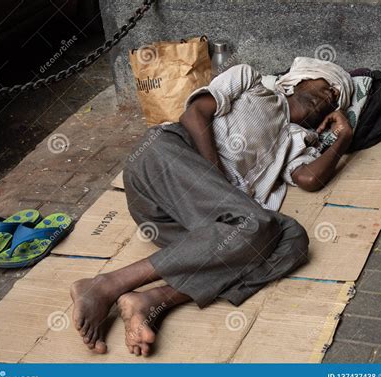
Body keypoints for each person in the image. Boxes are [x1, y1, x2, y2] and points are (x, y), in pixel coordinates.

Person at [70, 57, 355, 356]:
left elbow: (310, 178)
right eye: (327, 84)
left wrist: (343, 138)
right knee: (254, 224)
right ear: (299, 78)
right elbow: (194, 114)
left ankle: (154, 300)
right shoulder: (252, 81)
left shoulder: (297, 140)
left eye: (337, 97)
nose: (330, 96)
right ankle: (107, 284)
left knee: (293, 239)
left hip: (197, 226)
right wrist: (219, 186)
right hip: (165, 162)